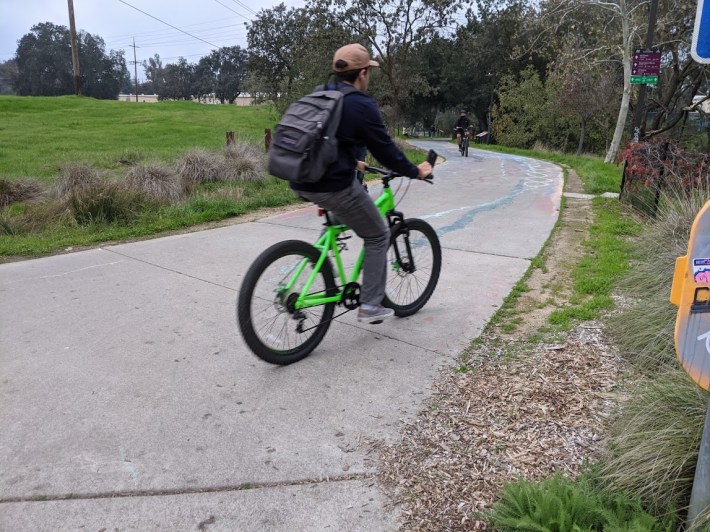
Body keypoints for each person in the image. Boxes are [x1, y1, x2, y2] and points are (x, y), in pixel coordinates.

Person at [290, 43, 432, 324]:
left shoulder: (322, 93)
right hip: (334, 186)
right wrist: (416, 170)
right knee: (378, 234)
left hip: (301, 178)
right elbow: (386, 151)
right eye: (370, 73)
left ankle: (320, 255)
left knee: (343, 220)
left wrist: (352, 160)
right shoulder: (360, 104)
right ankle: (369, 305)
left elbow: (325, 138)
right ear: (363, 73)